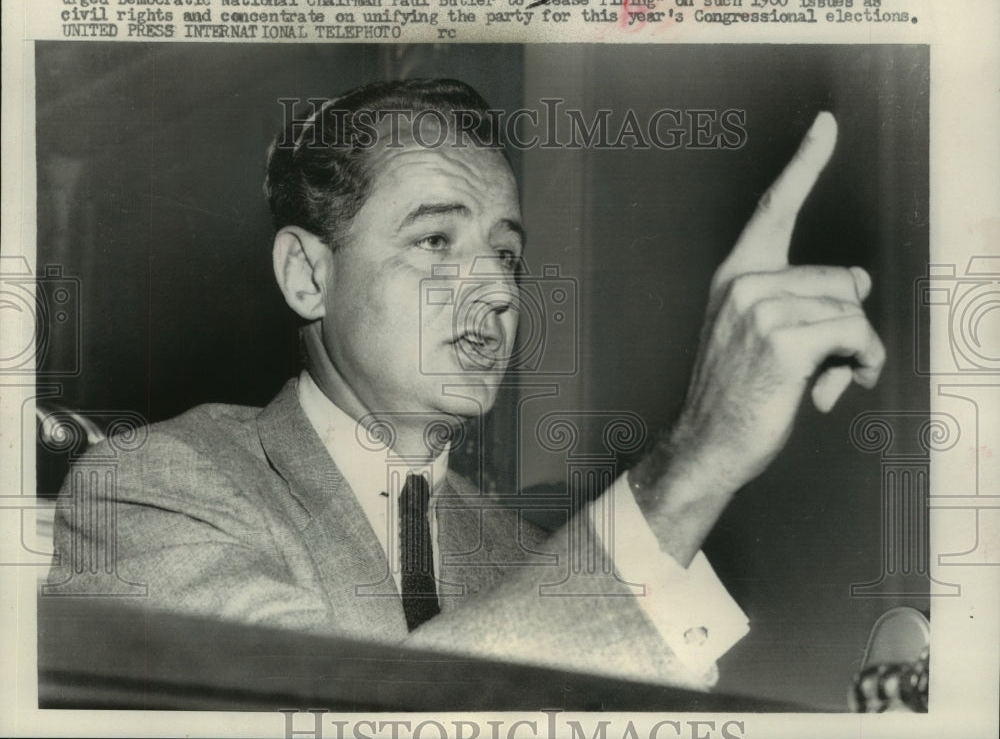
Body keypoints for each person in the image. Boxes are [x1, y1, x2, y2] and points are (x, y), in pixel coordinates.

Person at [48, 78, 884, 692]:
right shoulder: (150, 491)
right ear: (307, 275)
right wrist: (696, 461)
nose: (495, 292)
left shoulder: (528, 559)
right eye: (437, 242)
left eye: (507, 255)